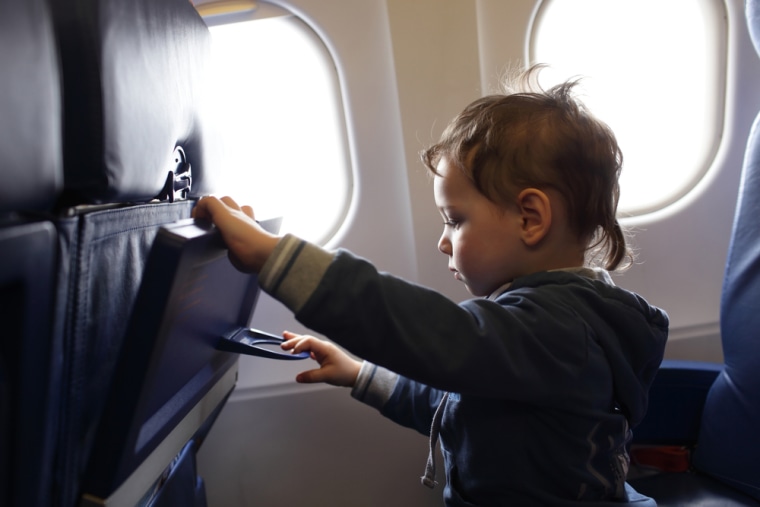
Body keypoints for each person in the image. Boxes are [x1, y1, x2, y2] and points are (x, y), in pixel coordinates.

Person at [192, 65, 669, 506]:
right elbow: (452, 399)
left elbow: (433, 337)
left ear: (531, 218)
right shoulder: (526, 330)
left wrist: (273, 256)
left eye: (455, 221)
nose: (443, 243)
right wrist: (359, 373)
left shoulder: (558, 331)